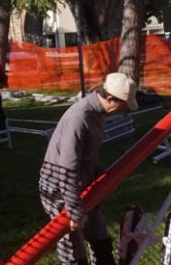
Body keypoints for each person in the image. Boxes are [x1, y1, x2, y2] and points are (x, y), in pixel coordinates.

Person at [39, 72, 138, 265]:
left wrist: (101, 175)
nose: (123, 109)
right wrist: (74, 212)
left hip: (81, 182)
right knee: (73, 247)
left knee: (100, 237)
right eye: (123, 105)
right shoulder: (80, 118)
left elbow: (88, 155)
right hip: (58, 187)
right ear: (110, 98)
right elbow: (67, 169)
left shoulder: (98, 113)